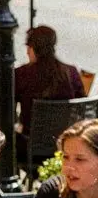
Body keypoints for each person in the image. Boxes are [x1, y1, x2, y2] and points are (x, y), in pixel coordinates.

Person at [15, 26, 85, 159]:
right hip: (65, 146)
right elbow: (82, 106)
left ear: (32, 48)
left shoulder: (21, 74)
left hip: (29, 148)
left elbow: (6, 108)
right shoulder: (71, 72)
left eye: (28, 48)